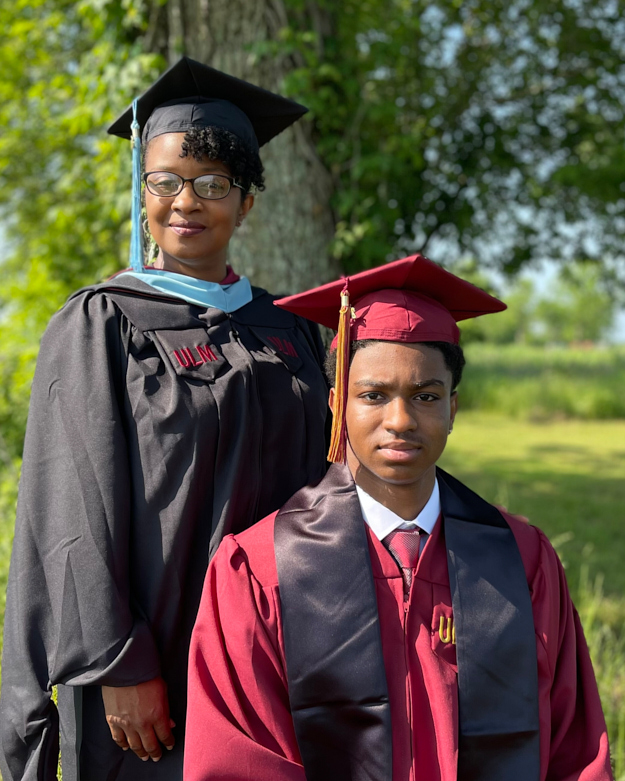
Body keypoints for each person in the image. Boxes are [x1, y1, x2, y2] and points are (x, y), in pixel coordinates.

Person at [0, 57, 329, 781]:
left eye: (214, 184)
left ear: (246, 204)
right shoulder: (102, 323)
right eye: (166, 181)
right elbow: (72, 509)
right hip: (155, 669)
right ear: (141, 194)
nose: (187, 201)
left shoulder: (291, 329)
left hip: (282, 651)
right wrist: (117, 658)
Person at [184, 254, 613, 781]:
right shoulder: (261, 567)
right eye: (373, 395)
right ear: (337, 403)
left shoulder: (520, 560)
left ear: (453, 409)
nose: (401, 420)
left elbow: (575, 749)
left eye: (425, 396)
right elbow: (239, 759)